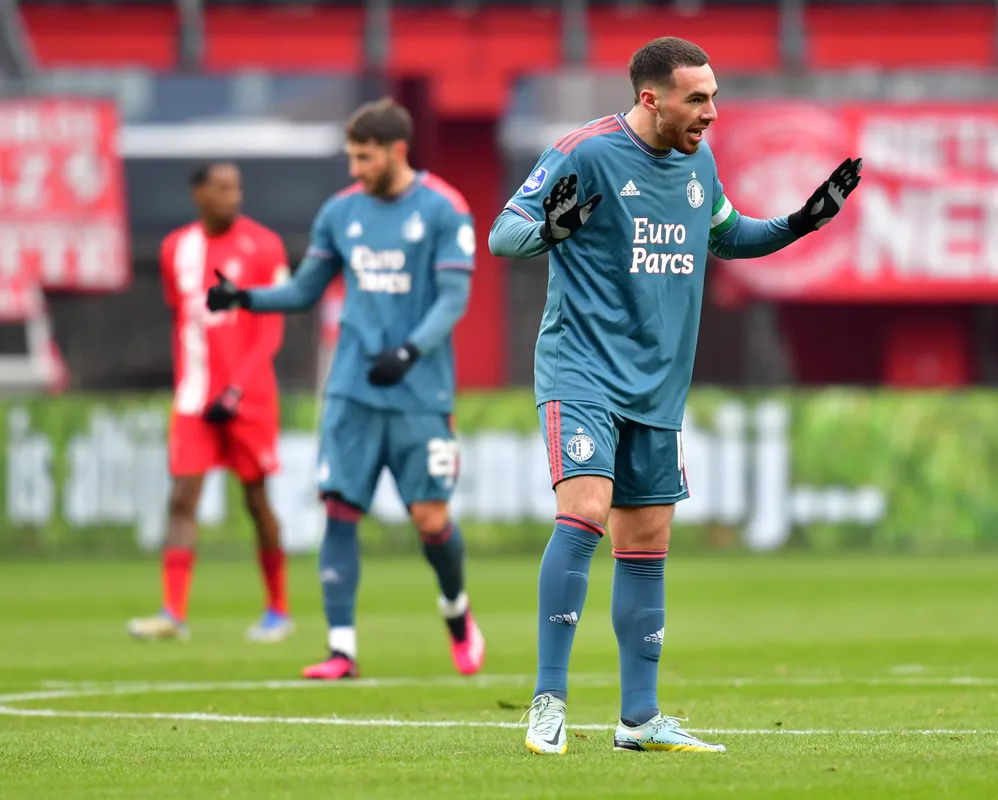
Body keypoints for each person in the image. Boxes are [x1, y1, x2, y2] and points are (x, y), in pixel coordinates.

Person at [489, 36, 862, 754]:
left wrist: (801, 222)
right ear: (650, 98)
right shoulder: (585, 152)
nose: (712, 112)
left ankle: (639, 719)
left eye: (714, 96)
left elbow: (729, 235)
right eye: (697, 99)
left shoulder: (699, 163)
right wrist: (550, 230)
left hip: (658, 383)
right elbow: (505, 236)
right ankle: (548, 702)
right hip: (582, 369)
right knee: (586, 511)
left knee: (647, 538)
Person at [206, 98, 485, 679]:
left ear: (397, 151)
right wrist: (244, 298)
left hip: (420, 393)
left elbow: (454, 300)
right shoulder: (340, 212)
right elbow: (304, 290)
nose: (355, 169)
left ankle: (457, 612)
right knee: (338, 508)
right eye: (351, 157)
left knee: (431, 520)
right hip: (352, 390)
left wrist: (409, 352)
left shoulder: (444, 209)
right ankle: (341, 650)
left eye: (365, 157)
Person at [129, 162, 293, 643]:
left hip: (249, 398)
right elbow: (183, 316)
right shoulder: (174, 248)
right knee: (182, 497)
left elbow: (271, 326)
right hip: (194, 398)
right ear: (199, 193)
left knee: (257, 501)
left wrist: (237, 387)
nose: (233, 197)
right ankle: (172, 613)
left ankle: (278, 609)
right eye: (222, 188)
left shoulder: (264, 245)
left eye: (237, 188)